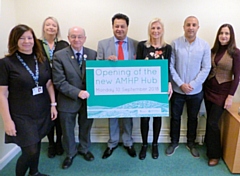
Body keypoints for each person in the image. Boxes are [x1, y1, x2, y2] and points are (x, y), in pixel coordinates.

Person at [0, 24, 57, 176]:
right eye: (22, 38)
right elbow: (2, 94)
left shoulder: (42, 60)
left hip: (42, 110)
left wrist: (53, 104)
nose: (27, 41)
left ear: (34, 39)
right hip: (21, 114)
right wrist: (7, 121)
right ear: (15, 40)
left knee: (37, 143)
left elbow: (49, 83)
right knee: (29, 149)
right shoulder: (6, 63)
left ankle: (34, 172)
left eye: (30, 37)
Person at [52, 26, 97, 169]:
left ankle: (84, 149)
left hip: (88, 101)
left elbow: (99, 74)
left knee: (86, 127)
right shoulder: (59, 55)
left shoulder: (93, 54)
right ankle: (70, 154)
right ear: (68, 38)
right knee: (67, 130)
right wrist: (78, 92)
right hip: (67, 100)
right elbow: (59, 82)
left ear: (85, 38)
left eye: (79, 36)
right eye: (73, 36)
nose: (76, 39)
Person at [167, 16, 211, 158]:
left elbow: (206, 68)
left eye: (194, 25)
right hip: (178, 90)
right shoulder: (175, 44)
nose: (191, 27)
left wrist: (192, 85)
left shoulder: (204, 46)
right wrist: (180, 84)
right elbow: (170, 66)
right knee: (175, 117)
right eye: (188, 25)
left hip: (196, 91)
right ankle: (174, 142)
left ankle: (191, 143)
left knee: (193, 118)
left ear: (198, 27)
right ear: (183, 26)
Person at [97, 13, 138, 159]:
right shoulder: (102, 44)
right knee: (112, 115)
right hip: (110, 89)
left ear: (127, 27)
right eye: (117, 26)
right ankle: (112, 143)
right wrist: (106, 62)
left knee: (128, 116)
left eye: (122, 26)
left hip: (129, 88)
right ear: (112, 27)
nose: (119, 29)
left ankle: (128, 142)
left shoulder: (136, 44)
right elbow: (97, 67)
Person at [204, 24, 240, 166]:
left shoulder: (236, 53)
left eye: (226, 33)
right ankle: (209, 147)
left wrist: (230, 96)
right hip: (209, 89)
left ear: (231, 36)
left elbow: (237, 76)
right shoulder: (213, 50)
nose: (223, 36)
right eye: (221, 33)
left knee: (213, 122)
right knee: (209, 120)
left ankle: (215, 155)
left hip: (223, 92)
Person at [136, 18, 172, 160]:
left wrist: (169, 83)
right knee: (144, 118)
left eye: (158, 28)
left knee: (157, 116)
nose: (155, 31)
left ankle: (155, 144)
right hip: (144, 87)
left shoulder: (167, 48)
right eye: (153, 28)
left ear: (162, 30)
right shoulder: (142, 46)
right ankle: (145, 144)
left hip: (161, 87)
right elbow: (137, 66)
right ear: (149, 30)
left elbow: (168, 67)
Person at [39, 16, 69, 158]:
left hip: (60, 85)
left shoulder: (63, 44)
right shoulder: (37, 44)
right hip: (43, 86)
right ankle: (50, 143)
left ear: (57, 29)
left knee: (60, 116)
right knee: (48, 116)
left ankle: (59, 142)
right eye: (48, 25)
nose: (51, 27)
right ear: (44, 28)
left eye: (54, 25)